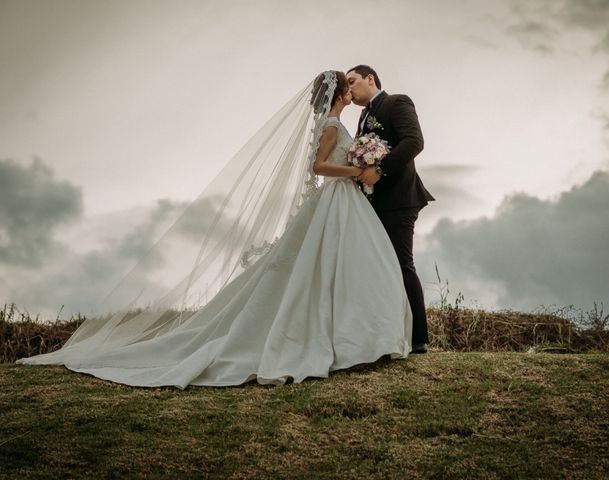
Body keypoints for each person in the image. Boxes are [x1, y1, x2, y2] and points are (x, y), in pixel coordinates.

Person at [17, 71, 413, 388]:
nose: (351, 90)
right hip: (338, 195)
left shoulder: (342, 122)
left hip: (344, 201)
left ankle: (361, 337)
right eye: (347, 86)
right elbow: (319, 167)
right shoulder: (331, 125)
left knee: (350, 266)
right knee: (331, 267)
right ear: (339, 95)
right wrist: (357, 170)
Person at [346, 65, 435, 354]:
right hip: (374, 202)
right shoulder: (363, 116)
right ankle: (389, 333)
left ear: (370, 78)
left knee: (401, 264)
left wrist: (380, 169)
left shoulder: (397, 102)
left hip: (399, 198)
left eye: (353, 81)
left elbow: (414, 142)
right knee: (379, 268)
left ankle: (419, 339)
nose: (349, 89)